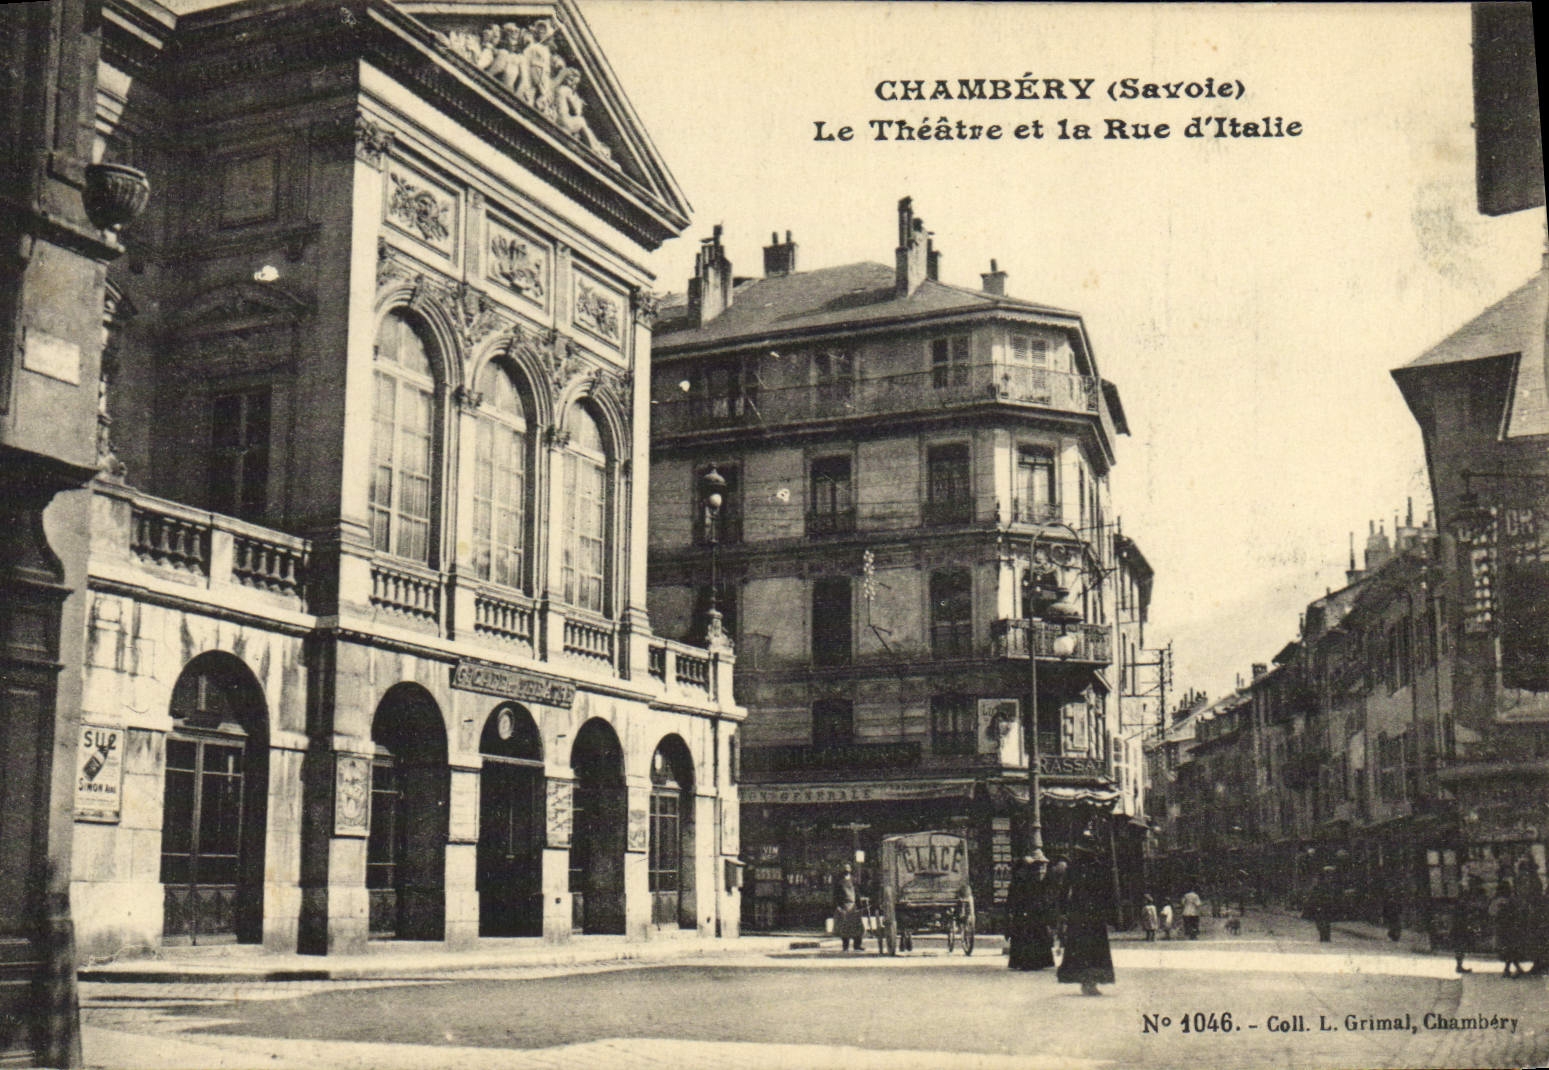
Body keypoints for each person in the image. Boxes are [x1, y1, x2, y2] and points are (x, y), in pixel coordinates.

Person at [1056, 853, 1115, 996]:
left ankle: (1089, 982)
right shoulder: (1097, 867)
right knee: (1091, 948)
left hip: (1082, 913)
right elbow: (1108, 893)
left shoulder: (1077, 867)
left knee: (1085, 948)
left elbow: (1064, 891)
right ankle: (1089, 982)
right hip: (1090, 913)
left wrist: (1063, 910)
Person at [1007, 851, 1055, 970]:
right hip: (1026, 911)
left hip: (1032, 911)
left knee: (1033, 934)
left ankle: (1033, 960)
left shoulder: (1034, 880)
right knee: (1027, 935)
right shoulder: (1022, 881)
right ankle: (1027, 961)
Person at [1493, 877, 1527, 978]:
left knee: (1507, 948)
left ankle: (1509, 969)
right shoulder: (1512, 900)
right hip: (1509, 926)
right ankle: (1511, 968)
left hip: (1502, 927)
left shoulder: (1497, 901)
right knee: (1510, 947)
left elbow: (1491, 912)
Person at [1452, 876, 1483, 974]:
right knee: (1460, 944)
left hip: (1462, 922)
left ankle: (1459, 965)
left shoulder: (1467, 894)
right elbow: (1464, 906)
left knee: (1461, 944)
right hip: (1461, 922)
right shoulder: (1465, 895)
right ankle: (1459, 965)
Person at [833, 862, 863, 951]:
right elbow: (835, 895)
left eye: (848, 868)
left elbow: (857, 894)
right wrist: (837, 906)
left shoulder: (854, 880)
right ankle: (845, 946)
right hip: (844, 906)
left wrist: (859, 905)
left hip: (854, 906)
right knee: (845, 927)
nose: (847, 870)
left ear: (850, 869)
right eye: (845, 868)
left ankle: (857, 945)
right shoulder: (839, 882)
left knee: (857, 926)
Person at [1304, 866, 1338, 943]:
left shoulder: (1331, 884)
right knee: (1321, 921)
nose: (1330, 877)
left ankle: (1325, 937)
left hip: (1326, 904)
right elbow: (1314, 893)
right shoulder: (1320, 884)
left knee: (1325, 921)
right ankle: (1323, 936)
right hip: (1320, 904)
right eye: (1328, 874)